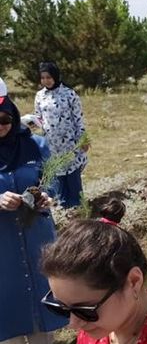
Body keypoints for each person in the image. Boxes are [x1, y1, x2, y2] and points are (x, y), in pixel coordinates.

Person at [39, 220, 147, 344]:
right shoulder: (97, 330)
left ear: (133, 282)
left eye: (86, 311)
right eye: (60, 308)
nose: (72, 324)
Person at [0, 93, 68, 344]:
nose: (0, 126)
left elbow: (52, 181)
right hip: (3, 247)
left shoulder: (36, 145)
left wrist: (47, 197)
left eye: (5, 119)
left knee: (42, 319)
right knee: (7, 316)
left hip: (36, 236)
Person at [35, 62, 89, 208]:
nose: (46, 80)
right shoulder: (40, 96)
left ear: (56, 76)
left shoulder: (69, 94)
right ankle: (62, 206)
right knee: (57, 173)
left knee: (72, 173)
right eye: (43, 77)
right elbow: (38, 117)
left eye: (49, 77)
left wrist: (83, 138)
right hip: (51, 144)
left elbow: (78, 118)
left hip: (70, 143)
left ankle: (77, 205)